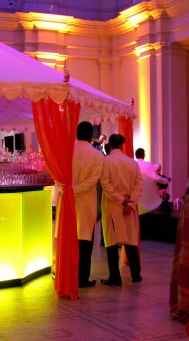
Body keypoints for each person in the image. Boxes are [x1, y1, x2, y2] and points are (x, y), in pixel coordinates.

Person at [100, 134, 143, 286]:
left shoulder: (105, 161)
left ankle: (115, 276)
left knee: (111, 241)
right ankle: (136, 273)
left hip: (113, 205)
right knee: (131, 240)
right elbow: (139, 184)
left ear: (109, 146)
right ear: (122, 146)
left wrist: (120, 199)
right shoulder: (132, 163)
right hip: (129, 207)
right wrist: (130, 202)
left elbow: (106, 185)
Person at [72, 121, 104, 288]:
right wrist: (77, 189)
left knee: (70, 241)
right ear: (91, 136)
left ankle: (68, 276)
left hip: (68, 202)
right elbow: (93, 180)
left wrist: (69, 190)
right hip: (86, 203)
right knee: (85, 243)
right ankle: (82, 278)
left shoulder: (67, 152)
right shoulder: (97, 155)